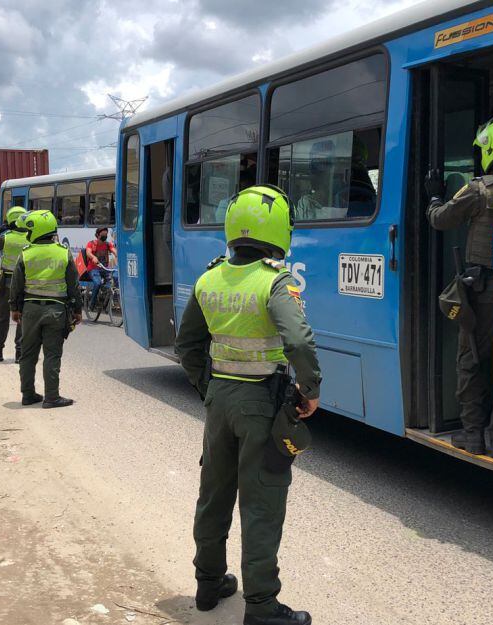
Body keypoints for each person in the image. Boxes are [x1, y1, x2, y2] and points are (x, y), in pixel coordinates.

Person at [175, 185, 321, 625]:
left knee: (214, 495)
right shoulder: (275, 280)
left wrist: (209, 389)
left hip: (219, 399)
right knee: (261, 504)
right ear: (278, 229)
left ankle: (208, 585)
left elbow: (187, 344)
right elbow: (297, 340)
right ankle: (260, 607)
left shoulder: (209, 278)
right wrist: (311, 389)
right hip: (261, 402)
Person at [425, 116, 493, 460]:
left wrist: (433, 196)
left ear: (491, 148)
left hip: (483, 290)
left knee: (471, 361)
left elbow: (440, 219)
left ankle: (474, 436)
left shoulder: (479, 189)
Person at [10, 210, 82, 409]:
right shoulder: (63, 252)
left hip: (30, 310)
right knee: (52, 354)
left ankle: (27, 394)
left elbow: (16, 285)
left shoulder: (25, 253)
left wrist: (14, 309)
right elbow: (73, 285)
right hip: (56, 311)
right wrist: (77, 310)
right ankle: (52, 397)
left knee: (27, 354)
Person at [0, 207, 27, 362]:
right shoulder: (31, 237)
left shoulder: (6, 237)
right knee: (21, 318)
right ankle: (20, 353)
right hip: (25, 285)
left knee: (2, 318)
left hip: (7, 284)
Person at [84, 226, 116, 311]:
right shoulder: (91, 243)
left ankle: (105, 305)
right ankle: (92, 303)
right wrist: (93, 257)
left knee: (111, 284)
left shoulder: (108, 244)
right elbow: (88, 253)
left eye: (106, 234)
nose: (105, 236)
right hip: (93, 268)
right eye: (103, 235)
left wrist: (118, 255)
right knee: (97, 283)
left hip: (104, 268)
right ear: (98, 235)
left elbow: (113, 250)